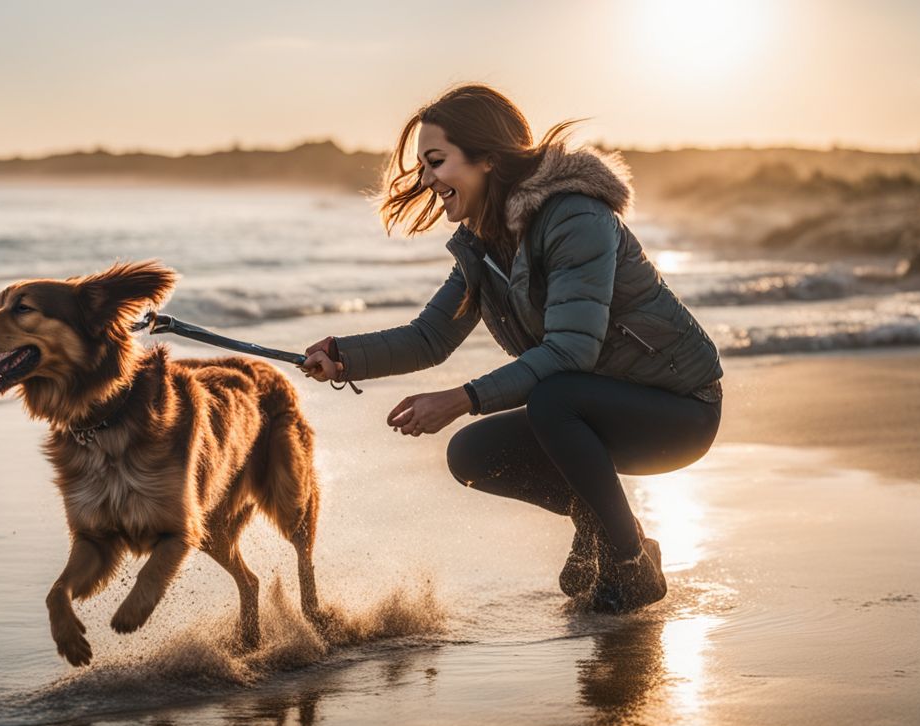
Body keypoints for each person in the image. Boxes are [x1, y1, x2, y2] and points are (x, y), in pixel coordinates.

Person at [301, 84, 723, 612]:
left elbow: (572, 352)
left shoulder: (575, 218)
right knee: (471, 453)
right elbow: (430, 337)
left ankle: (628, 564)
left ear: (488, 160)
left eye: (436, 161)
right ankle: (614, 529)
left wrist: (461, 398)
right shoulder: (486, 245)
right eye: (422, 167)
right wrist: (343, 353)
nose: (427, 180)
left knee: (554, 395)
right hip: (593, 410)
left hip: (677, 411)